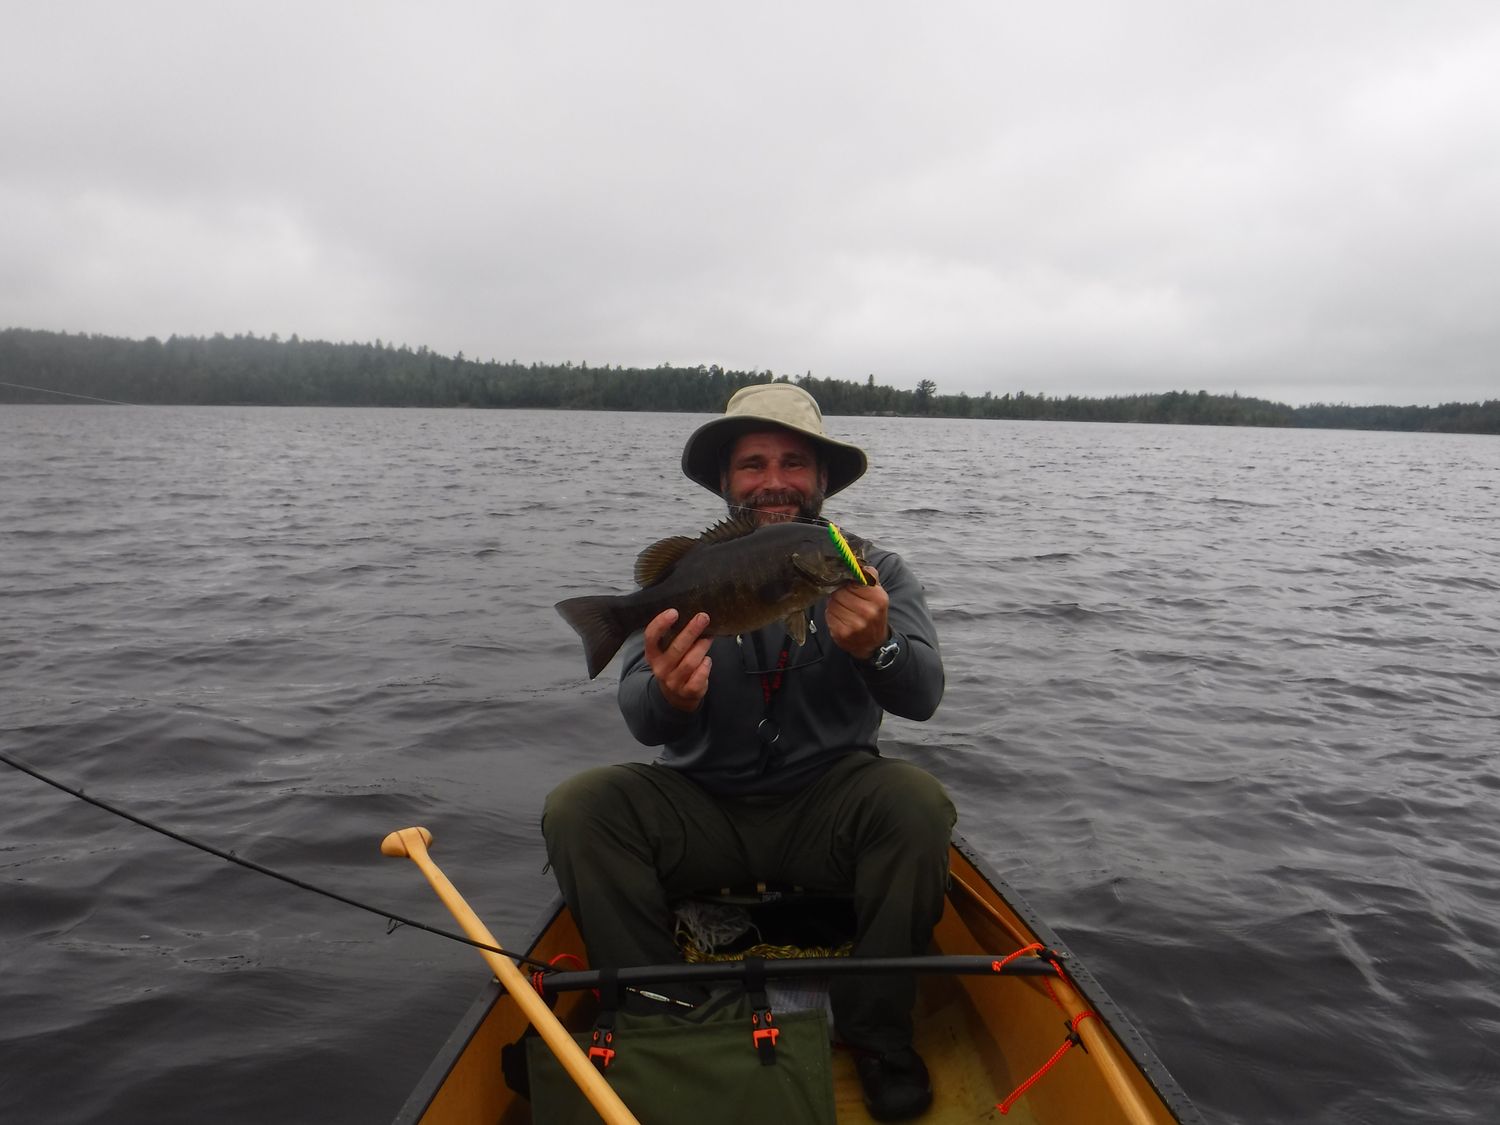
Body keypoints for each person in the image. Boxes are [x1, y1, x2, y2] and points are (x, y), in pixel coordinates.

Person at [543, 383, 953, 1121]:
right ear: (727, 482)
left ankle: (876, 1034)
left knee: (917, 805)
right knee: (581, 809)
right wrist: (672, 697)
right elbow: (640, 717)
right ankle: (666, 1017)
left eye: (793, 462)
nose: (774, 481)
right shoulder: (689, 571)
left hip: (828, 812)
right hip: (700, 810)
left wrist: (879, 647)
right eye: (753, 464)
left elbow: (922, 694)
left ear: (822, 479)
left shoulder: (871, 569)